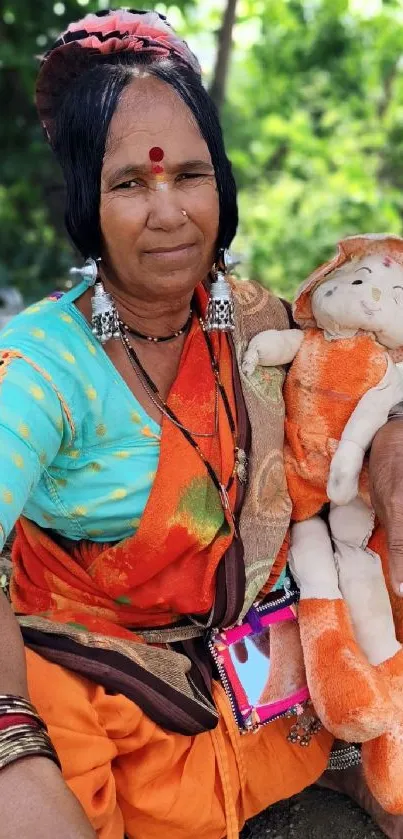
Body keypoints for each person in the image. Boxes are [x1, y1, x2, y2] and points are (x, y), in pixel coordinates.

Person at [1, 9, 403, 839]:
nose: (168, 212)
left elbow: (351, 385)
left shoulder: (253, 317)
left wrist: (393, 427)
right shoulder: (40, 362)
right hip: (98, 670)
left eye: (189, 174)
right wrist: (11, 739)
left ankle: (352, 762)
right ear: (85, 196)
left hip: (254, 644)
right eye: (128, 183)